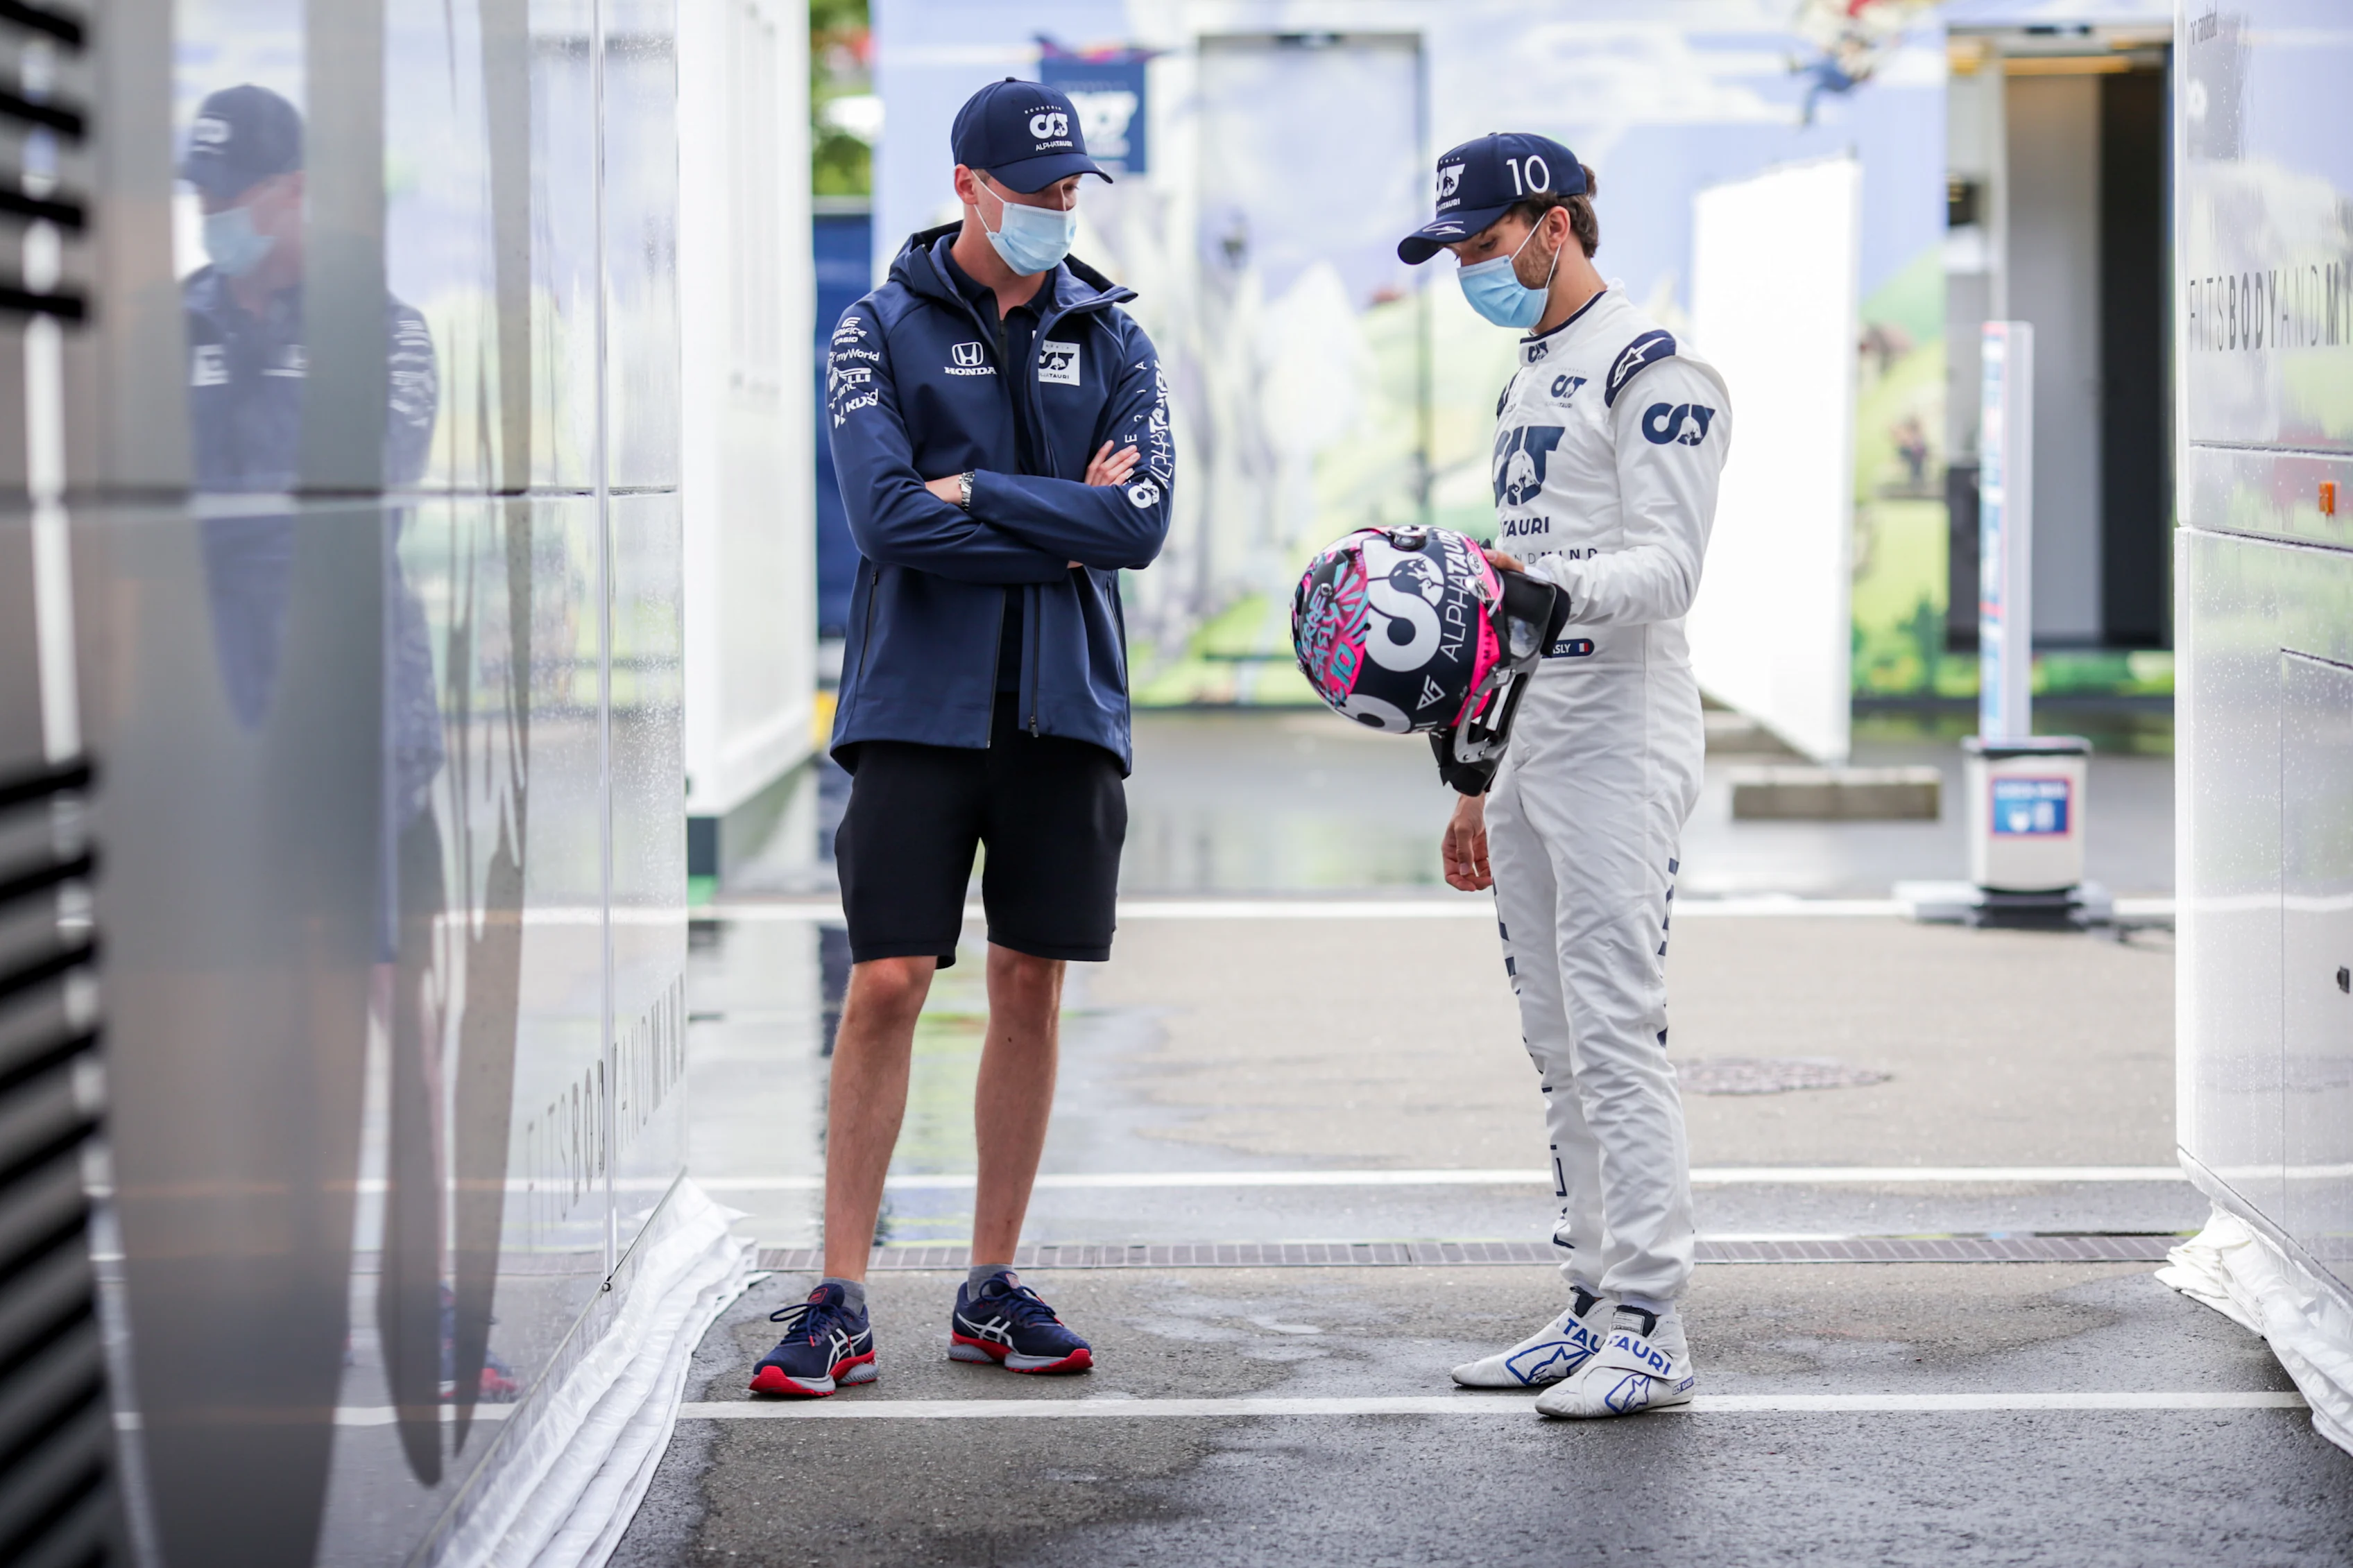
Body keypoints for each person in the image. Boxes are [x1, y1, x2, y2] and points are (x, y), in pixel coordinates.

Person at [752, 79, 1172, 1397]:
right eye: (1035, 189)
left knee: (1027, 986)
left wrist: (983, 490)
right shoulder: (874, 328)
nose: (1057, 209)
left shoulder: (1115, 338)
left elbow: (1142, 528)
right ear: (967, 188)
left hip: (1066, 710)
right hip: (913, 707)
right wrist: (1061, 526)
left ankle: (990, 1283)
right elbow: (884, 521)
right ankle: (839, 1292)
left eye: (1069, 191)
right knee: (886, 982)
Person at [1395, 134, 1731, 1418]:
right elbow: (1512, 610)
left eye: (1484, 246)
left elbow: (1670, 572)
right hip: (1533, 739)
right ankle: (1593, 1299)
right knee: (1555, 1041)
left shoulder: (1655, 368)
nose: (1472, 270)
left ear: (1555, 223)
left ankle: (1654, 1321)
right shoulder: (1529, 375)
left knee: (1615, 1026)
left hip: (1621, 735)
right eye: (1457, 254)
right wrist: (1475, 774)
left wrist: (1530, 583)